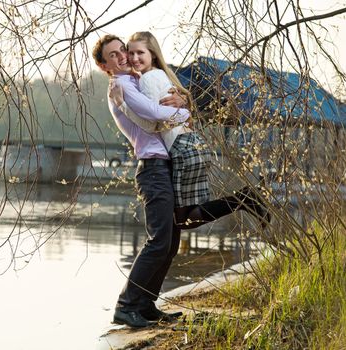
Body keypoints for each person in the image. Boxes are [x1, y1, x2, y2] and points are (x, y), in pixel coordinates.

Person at [110, 31, 270, 231]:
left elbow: (151, 125)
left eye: (140, 53)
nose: (134, 58)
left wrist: (122, 104)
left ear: (152, 54)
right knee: (187, 216)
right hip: (192, 144)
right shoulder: (161, 75)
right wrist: (181, 114)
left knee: (184, 219)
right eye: (131, 53)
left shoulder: (147, 80)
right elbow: (171, 116)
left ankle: (245, 199)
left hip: (182, 149)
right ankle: (245, 199)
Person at [92, 34, 190, 328]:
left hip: (164, 166)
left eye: (123, 50)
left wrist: (182, 98)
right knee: (159, 240)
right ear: (104, 65)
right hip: (153, 168)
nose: (122, 56)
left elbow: (163, 104)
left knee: (170, 242)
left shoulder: (137, 80)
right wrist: (184, 111)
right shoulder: (121, 86)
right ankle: (126, 306)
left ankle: (146, 305)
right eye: (113, 55)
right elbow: (153, 113)